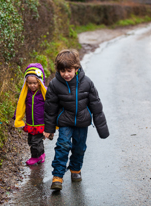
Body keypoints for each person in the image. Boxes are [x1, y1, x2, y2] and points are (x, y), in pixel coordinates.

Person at [43, 49, 109, 190]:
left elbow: (96, 105)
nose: (66, 74)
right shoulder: (55, 84)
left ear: (76, 68)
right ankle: (58, 177)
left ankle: (75, 169)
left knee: (79, 148)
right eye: (62, 71)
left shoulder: (87, 83)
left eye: (69, 70)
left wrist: (102, 129)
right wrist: (48, 129)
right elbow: (50, 108)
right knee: (63, 146)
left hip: (82, 121)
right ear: (58, 70)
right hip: (65, 121)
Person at [14, 63, 47, 165]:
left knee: (35, 142)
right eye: (29, 83)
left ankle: (35, 157)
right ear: (26, 83)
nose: (32, 85)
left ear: (40, 82)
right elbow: (21, 105)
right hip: (30, 123)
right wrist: (17, 116)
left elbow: (51, 106)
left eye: (35, 83)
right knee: (31, 140)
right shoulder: (26, 94)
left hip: (40, 122)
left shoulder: (44, 93)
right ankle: (41, 154)